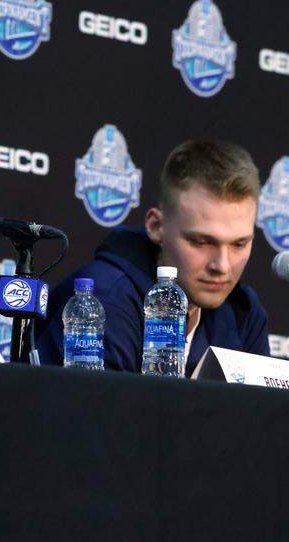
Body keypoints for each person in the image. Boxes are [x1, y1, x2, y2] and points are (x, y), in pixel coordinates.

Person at [38, 139, 269, 374]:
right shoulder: (103, 302)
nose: (222, 265)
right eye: (201, 242)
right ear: (156, 226)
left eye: (239, 244)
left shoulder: (243, 311)